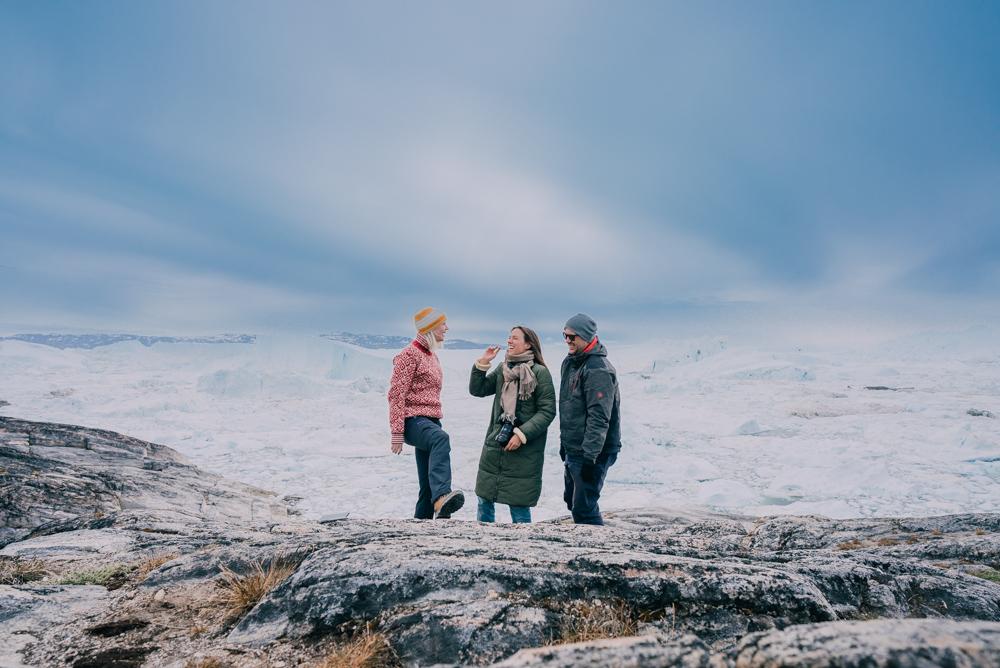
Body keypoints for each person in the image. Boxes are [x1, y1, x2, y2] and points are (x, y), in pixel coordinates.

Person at [469, 326, 556, 523]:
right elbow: (478, 389)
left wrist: (521, 434)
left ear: (528, 344)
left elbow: (547, 411)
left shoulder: (540, 373)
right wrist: (483, 363)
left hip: (523, 451)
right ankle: (482, 544)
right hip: (496, 445)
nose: (509, 341)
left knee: (519, 507)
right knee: (484, 500)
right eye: (509, 337)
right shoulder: (503, 369)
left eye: (515, 338)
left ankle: (524, 549)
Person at [387, 307, 465, 519]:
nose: (447, 328)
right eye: (443, 324)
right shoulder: (408, 355)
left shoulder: (431, 356)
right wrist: (397, 432)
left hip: (430, 422)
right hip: (413, 422)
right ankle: (442, 498)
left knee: (427, 485)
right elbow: (396, 395)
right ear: (430, 327)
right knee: (441, 439)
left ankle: (427, 524)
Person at [559, 313, 621, 525]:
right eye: (564, 335)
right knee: (572, 501)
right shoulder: (571, 363)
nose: (567, 340)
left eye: (572, 337)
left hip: (594, 450)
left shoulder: (598, 369)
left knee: (584, 506)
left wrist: (590, 458)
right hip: (575, 447)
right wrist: (565, 444)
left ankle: (598, 552)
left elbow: (599, 416)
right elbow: (568, 405)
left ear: (586, 337)